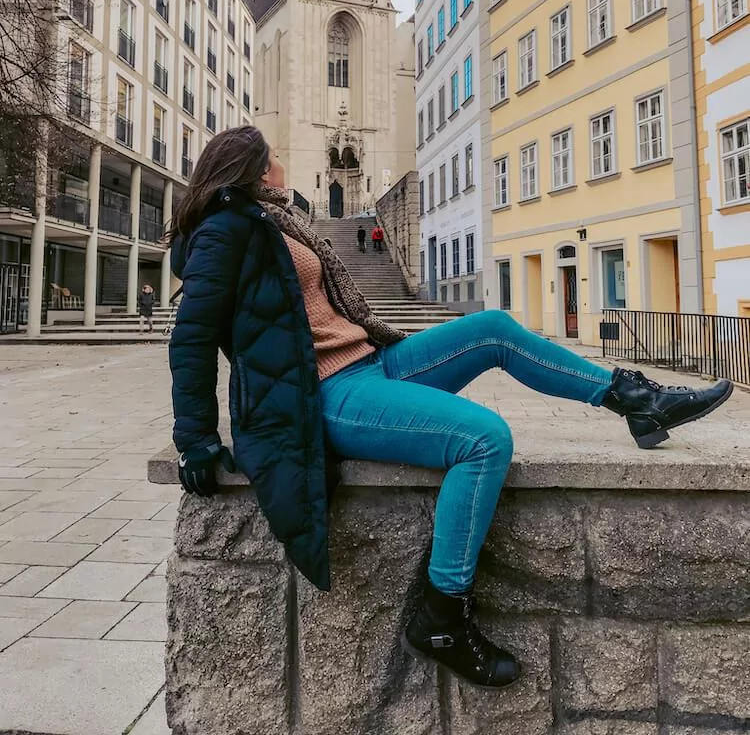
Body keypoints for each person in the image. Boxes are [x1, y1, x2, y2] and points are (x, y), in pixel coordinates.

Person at [167, 126, 733, 692]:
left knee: (493, 330)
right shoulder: (226, 231)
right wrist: (194, 437)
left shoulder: (276, 221)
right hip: (325, 393)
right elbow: (191, 338)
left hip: (370, 361)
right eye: (276, 157)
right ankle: (442, 614)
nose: (283, 164)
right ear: (258, 170)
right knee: (484, 440)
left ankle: (637, 401)